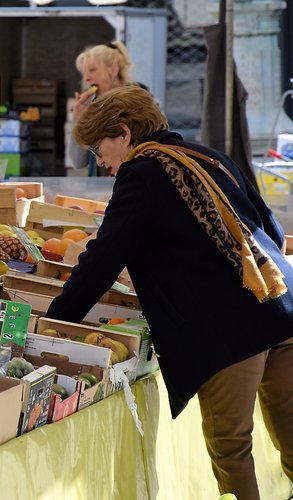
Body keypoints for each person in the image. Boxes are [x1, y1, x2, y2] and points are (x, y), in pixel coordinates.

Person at [45, 86, 292, 500]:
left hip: (227, 335)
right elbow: (273, 231)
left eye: (98, 148)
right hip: (282, 310)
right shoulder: (209, 157)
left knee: (232, 450)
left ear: (124, 134)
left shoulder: (141, 174)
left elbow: (102, 261)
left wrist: (53, 321)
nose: (100, 161)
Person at [67, 40, 138, 176]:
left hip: (131, 185)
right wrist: (78, 120)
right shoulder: (92, 108)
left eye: (92, 70)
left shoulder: (141, 104)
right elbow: (78, 162)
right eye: (84, 72)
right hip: (97, 190)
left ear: (113, 70)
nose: (86, 78)